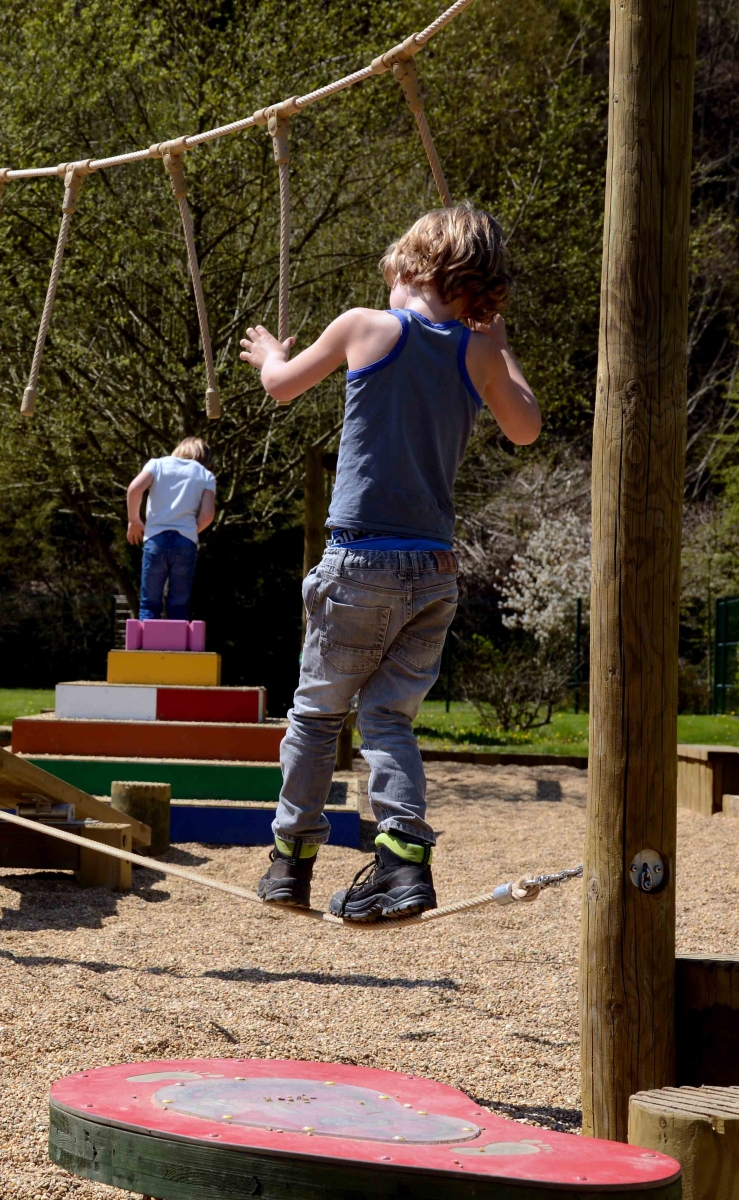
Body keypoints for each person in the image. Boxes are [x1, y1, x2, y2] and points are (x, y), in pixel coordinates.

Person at [238, 203, 541, 922]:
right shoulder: (476, 354)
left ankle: (290, 862)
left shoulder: (364, 326)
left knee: (317, 716)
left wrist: (268, 355)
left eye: (392, 277)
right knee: (388, 721)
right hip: (433, 571)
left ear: (415, 269)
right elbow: (525, 427)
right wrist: (501, 349)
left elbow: (282, 386)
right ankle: (403, 863)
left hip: (358, 563)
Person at [126, 437, 217, 621]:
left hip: (155, 539)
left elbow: (134, 489)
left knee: (149, 602)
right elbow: (208, 514)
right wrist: (191, 531)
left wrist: (134, 520)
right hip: (185, 541)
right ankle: (178, 637)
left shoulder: (157, 464)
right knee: (179, 603)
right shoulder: (206, 475)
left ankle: (147, 637)